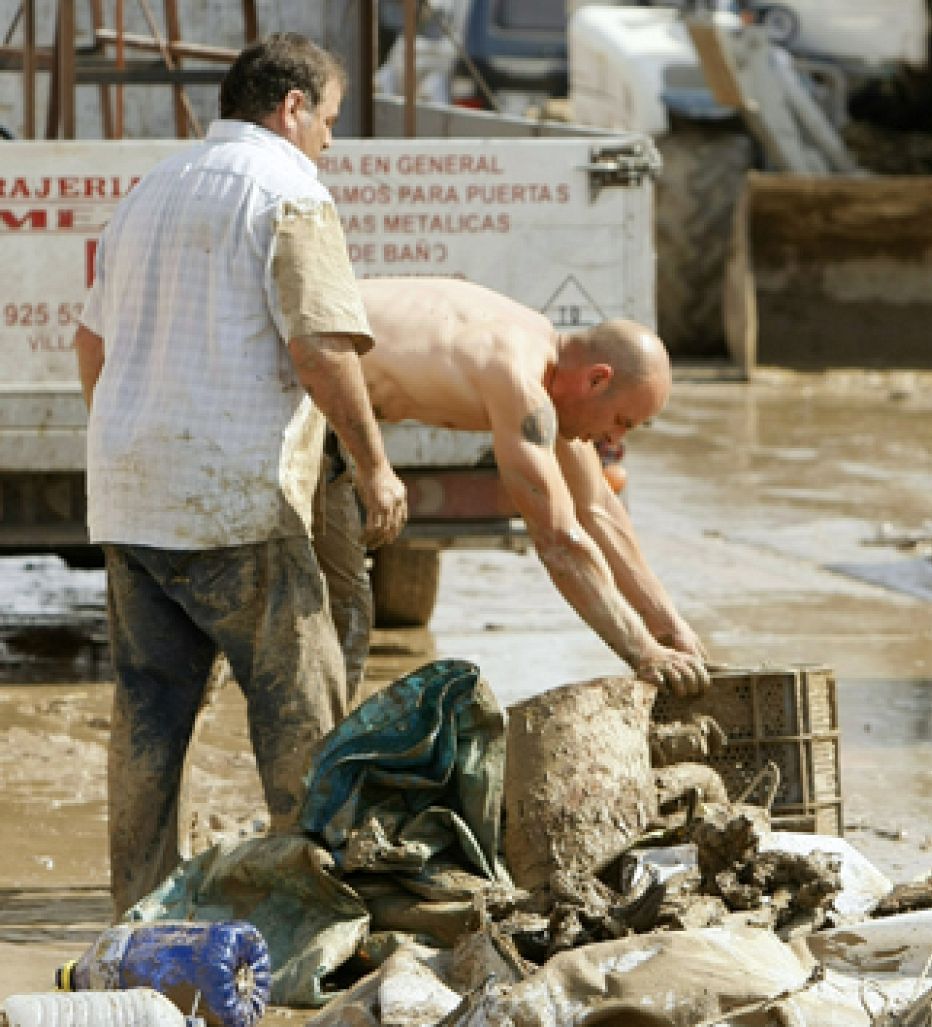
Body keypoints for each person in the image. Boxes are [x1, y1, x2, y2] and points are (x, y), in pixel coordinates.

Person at [73, 33, 408, 915]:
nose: (331, 142)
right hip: (235, 497)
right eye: (328, 120)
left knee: (149, 710)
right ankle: (318, 908)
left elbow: (90, 342)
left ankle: (136, 912)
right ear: (290, 106)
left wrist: (127, 438)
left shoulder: (150, 189)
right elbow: (320, 346)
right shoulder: (291, 190)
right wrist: (375, 466)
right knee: (303, 710)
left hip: (130, 492)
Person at [313, 276, 711, 700]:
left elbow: (597, 508)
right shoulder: (521, 381)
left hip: (317, 391)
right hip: (285, 380)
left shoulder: (542, 351)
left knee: (343, 611)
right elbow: (559, 542)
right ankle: (308, 755)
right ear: (596, 379)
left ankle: (315, 745)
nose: (614, 441)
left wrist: (670, 627)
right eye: (621, 422)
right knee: (333, 610)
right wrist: (643, 653)